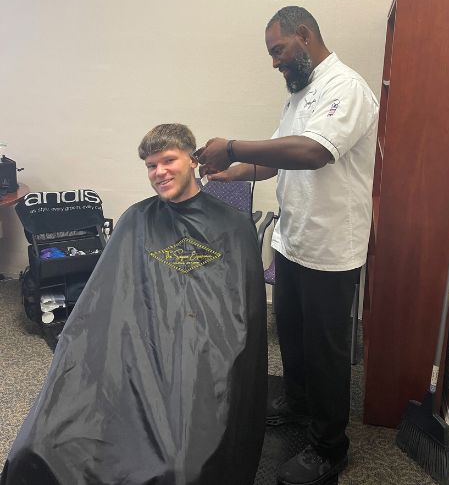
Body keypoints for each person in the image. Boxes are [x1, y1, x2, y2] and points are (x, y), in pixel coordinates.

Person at [1, 124, 267, 485]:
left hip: (200, 348)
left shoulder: (232, 226)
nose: (160, 172)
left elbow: (239, 312)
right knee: (39, 448)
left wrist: (190, 334)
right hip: (135, 339)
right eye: (151, 165)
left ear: (193, 160)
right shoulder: (135, 219)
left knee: (181, 465)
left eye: (168, 160)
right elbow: (105, 294)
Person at [197, 7, 379, 485]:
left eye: (278, 50)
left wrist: (233, 146)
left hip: (330, 248)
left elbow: (314, 153)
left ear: (304, 35)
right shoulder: (300, 96)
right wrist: (228, 172)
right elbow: (276, 162)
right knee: (294, 337)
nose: (275, 62)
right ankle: (298, 404)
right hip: (293, 240)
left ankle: (328, 448)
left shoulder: (346, 88)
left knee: (326, 352)